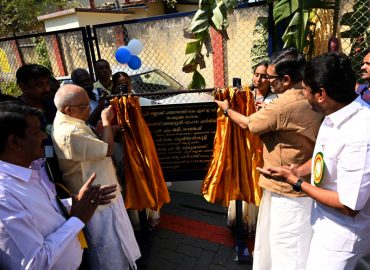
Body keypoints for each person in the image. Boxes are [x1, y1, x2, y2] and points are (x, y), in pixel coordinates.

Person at [215, 47, 323, 270]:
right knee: (299, 243)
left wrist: (226, 110)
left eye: (270, 77)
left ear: (285, 79)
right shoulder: (312, 96)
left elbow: (248, 124)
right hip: (307, 183)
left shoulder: (281, 105)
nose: (266, 81)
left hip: (285, 189)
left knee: (284, 246)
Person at [267, 52, 370, 270]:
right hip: (325, 226)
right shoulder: (335, 113)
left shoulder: (360, 135)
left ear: (321, 94)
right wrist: (296, 169)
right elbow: (323, 157)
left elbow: (348, 205)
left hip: (341, 238)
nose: (303, 94)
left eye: (305, 89)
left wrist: (297, 182)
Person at [0, 103, 117, 270]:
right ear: (15, 142)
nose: (43, 136)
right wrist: (78, 219)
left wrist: (74, 202)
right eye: (37, 131)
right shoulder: (4, 197)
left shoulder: (30, 171)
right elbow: (34, 263)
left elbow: (41, 213)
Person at [51, 84, 141, 270]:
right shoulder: (70, 131)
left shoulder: (70, 120)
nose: (90, 109)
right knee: (107, 252)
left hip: (105, 191)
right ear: (68, 109)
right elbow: (107, 150)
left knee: (119, 244)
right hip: (96, 201)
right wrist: (106, 123)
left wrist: (102, 133)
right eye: (84, 106)